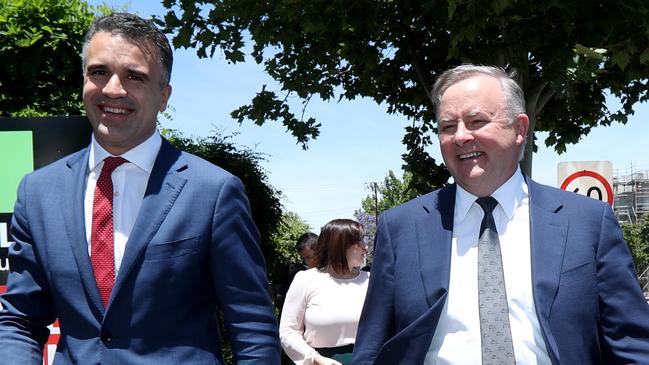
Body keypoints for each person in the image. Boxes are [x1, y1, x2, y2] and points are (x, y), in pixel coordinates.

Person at [0, 13, 280, 364]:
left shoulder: (214, 192)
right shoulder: (38, 192)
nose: (113, 89)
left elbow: (252, 328)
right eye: (99, 72)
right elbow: (20, 319)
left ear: (164, 96)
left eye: (135, 76)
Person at [351, 64, 649, 364]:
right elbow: (372, 348)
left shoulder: (587, 222)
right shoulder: (401, 227)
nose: (461, 137)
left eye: (476, 121)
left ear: (519, 128)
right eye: (447, 127)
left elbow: (631, 343)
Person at [280, 219, 369, 365]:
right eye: (358, 241)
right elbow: (288, 331)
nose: (365, 247)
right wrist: (315, 358)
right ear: (339, 245)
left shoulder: (373, 281)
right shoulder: (306, 280)